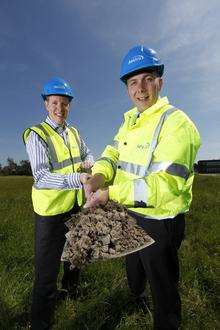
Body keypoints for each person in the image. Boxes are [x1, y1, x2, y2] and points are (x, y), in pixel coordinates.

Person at [84, 46, 201, 329]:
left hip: (160, 220)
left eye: (148, 78)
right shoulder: (130, 122)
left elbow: (167, 187)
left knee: (163, 283)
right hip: (130, 212)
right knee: (134, 265)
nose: (141, 89)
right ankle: (136, 297)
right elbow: (112, 155)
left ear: (160, 81)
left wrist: (110, 193)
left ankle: (167, 321)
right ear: (127, 88)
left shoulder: (176, 124)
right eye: (133, 82)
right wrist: (98, 176)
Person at [23, 77, 94, 330]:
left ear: (69, 105)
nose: (60, 108)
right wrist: (79, 177)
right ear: (46, 104)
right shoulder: (36, 135)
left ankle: (71, 291)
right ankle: (41, 322)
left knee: (76, 254)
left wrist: (89, 162)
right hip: (51, 212)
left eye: (64, 103)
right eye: (55, 103)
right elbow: (41, 177)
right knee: (46, 272)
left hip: (74, 206)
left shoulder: (73, 132)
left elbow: (88, 154)